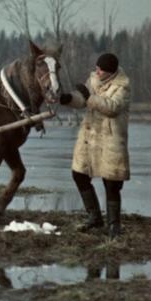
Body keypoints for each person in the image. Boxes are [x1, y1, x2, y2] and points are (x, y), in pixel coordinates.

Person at [59, 52, 130, 238]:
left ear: (110, 72)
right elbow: (82, 100)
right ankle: (94, 217)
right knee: (79, 174)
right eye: (96, 67)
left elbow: (112, 108)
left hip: (111, 140)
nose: (96, 71)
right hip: (89, 138)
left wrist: (88, 96)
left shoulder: (122, 87)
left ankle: (114, 224)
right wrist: (68, 98)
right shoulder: (93, 79)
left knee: (111, 182)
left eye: (100, 69)